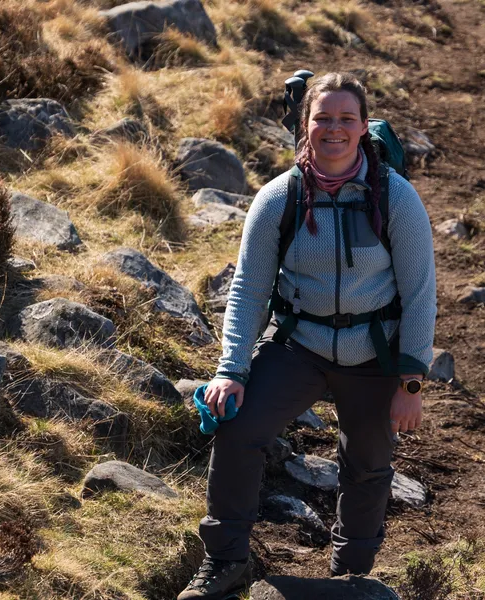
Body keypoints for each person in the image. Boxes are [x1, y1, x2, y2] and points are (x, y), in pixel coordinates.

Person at [177, 72, 437, 600]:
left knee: (367, 463)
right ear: (306, 124)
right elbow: (249, 289)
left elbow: (420, 292)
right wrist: (231, 370)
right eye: (323, 117)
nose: (334, 128)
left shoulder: (396, 198)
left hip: (375, 351)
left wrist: (411, 381)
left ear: (364, 127)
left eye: (346, 118)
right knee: (238, 428)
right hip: (299, 346)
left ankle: (351, 576)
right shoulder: (279, 198)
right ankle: (225, 559)